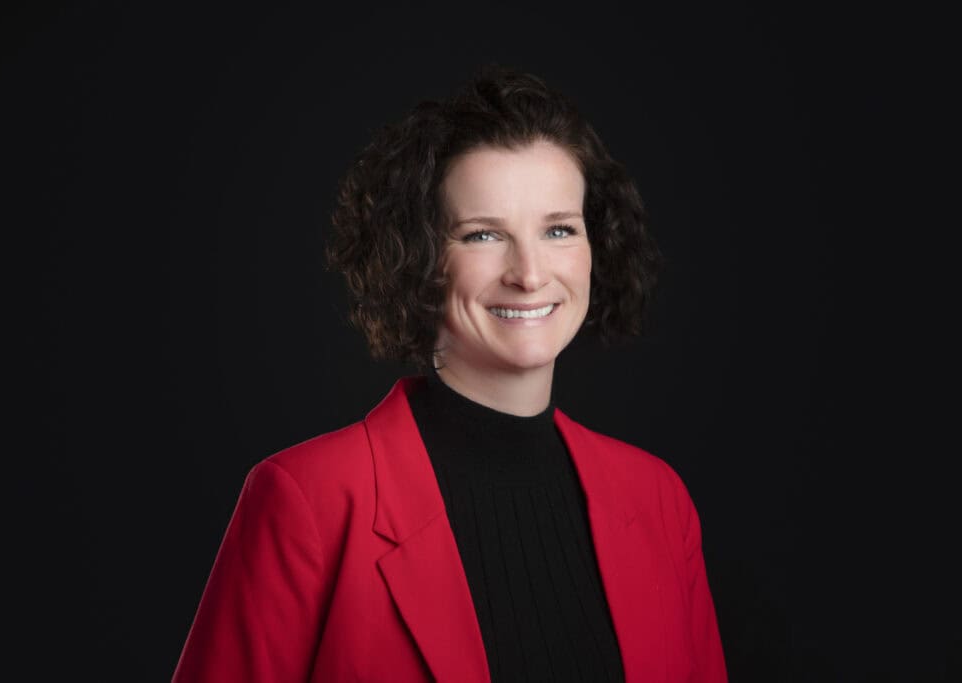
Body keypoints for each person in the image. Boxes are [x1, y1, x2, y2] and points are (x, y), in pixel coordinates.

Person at [173, 64, 727, 682]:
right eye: (483, 234)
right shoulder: (306, 500)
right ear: (421, 260)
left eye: (559, 230)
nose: (529, 273)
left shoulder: (659, 501)